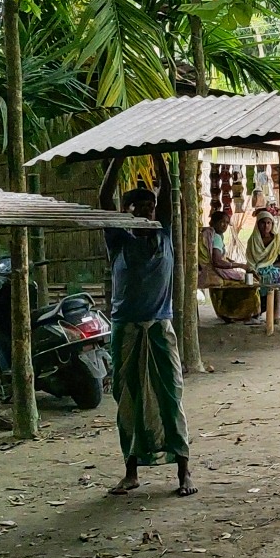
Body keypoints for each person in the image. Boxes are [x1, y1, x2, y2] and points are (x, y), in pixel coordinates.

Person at [96, 154, 193, 497]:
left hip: (159, 328)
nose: (144, 211)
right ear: (127, 213)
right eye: (136, 207)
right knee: (128, 399)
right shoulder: (119, 239)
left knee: (170, 395)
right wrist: (119, 159)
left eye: (149, 207)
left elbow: (168, 190)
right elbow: (103, 199)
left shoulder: (164, 233)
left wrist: (157, 155)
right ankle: (131, 471)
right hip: (126, 328)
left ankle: (183, 470)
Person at [244, 209, 280, 322]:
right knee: (252, 281)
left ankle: (275, 312)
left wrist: (271, 267)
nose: (266, 226)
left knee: (274, 277)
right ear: (258, 224)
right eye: (263, 223)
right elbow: (250, 260)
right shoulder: (252, 241)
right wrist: (255, 270)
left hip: (274, 268)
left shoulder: (277, 240)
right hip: (256, 269)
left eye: (269, 223)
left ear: (272, 224)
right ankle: (257, 310)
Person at [204, 209, 249, 284]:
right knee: (241, 278)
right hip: (215, 271)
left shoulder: (210, 233)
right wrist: (240, 265)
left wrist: (227, 260)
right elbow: (217, 262)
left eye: (227, 223)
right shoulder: (216, 237)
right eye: (222, 222)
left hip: (208, 270)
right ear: (214, 223)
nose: (225, 225)